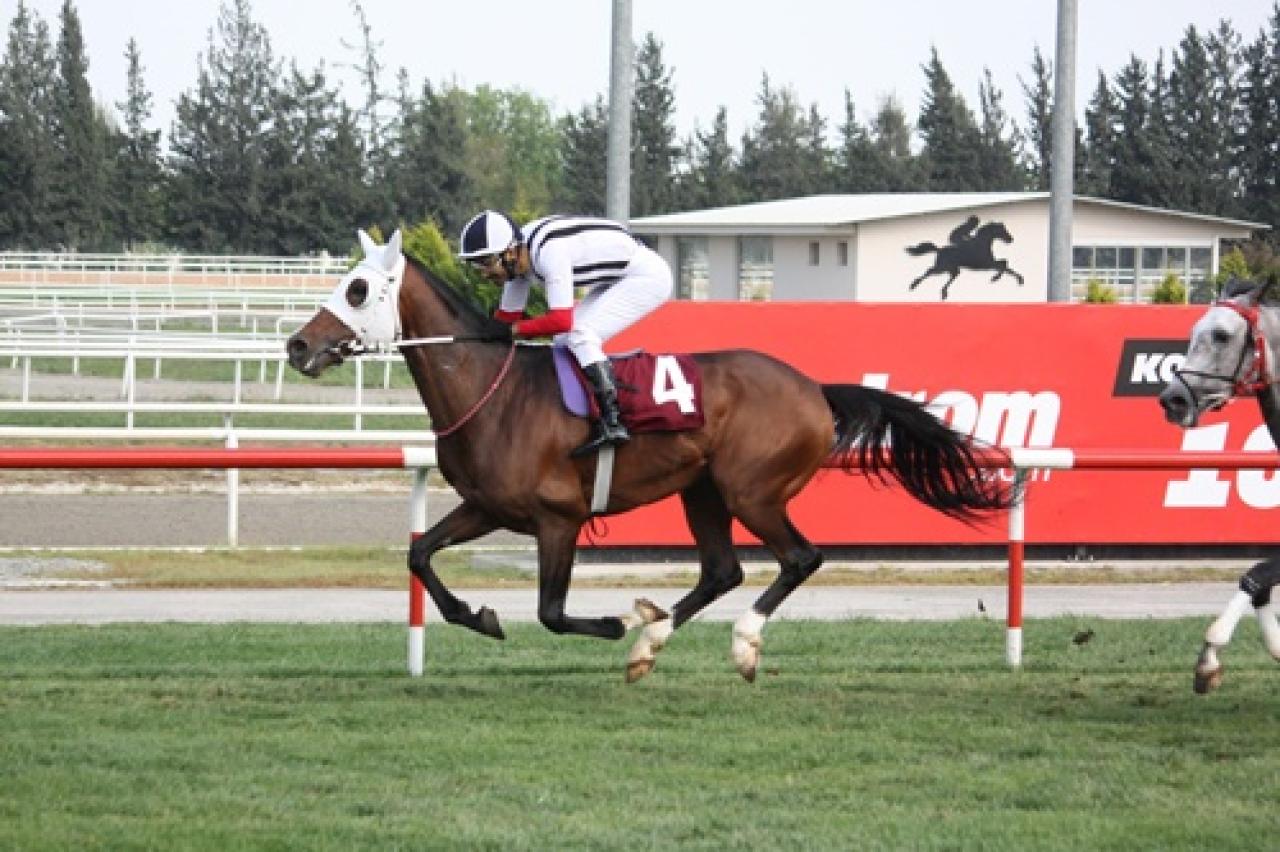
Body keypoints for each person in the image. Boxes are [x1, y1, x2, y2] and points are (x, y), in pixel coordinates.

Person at [457, 210, 673, 457]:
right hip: (614, 278)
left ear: (510, 252)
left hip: (646, 277)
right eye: (477, 265)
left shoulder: (549, 253)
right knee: (563, 341)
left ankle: (613, 420)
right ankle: (573, 414)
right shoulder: (518, 258)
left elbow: (560, 320)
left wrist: (513, 330)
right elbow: (506, 319)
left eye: (486, 263)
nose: (484, 274)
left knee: (581, 335)